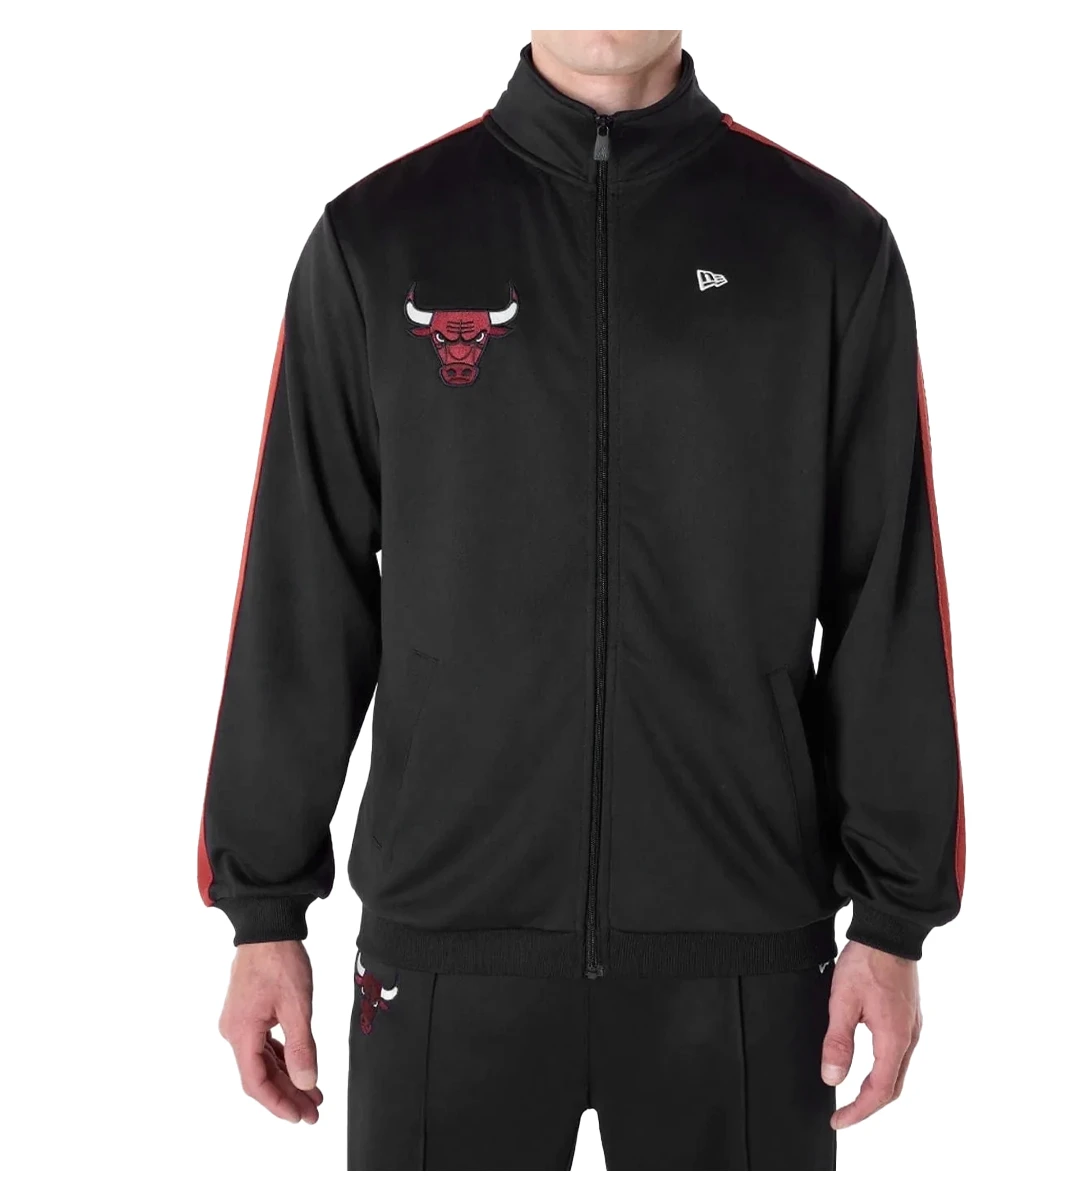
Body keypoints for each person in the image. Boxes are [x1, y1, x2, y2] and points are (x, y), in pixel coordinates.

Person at [199, 29, 964, 1171]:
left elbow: (888, 600)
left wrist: (894, 925)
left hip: (745, 956)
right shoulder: (379, 236)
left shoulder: (824, 244)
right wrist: (263, 913)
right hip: (446, 947)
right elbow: (301, 586)